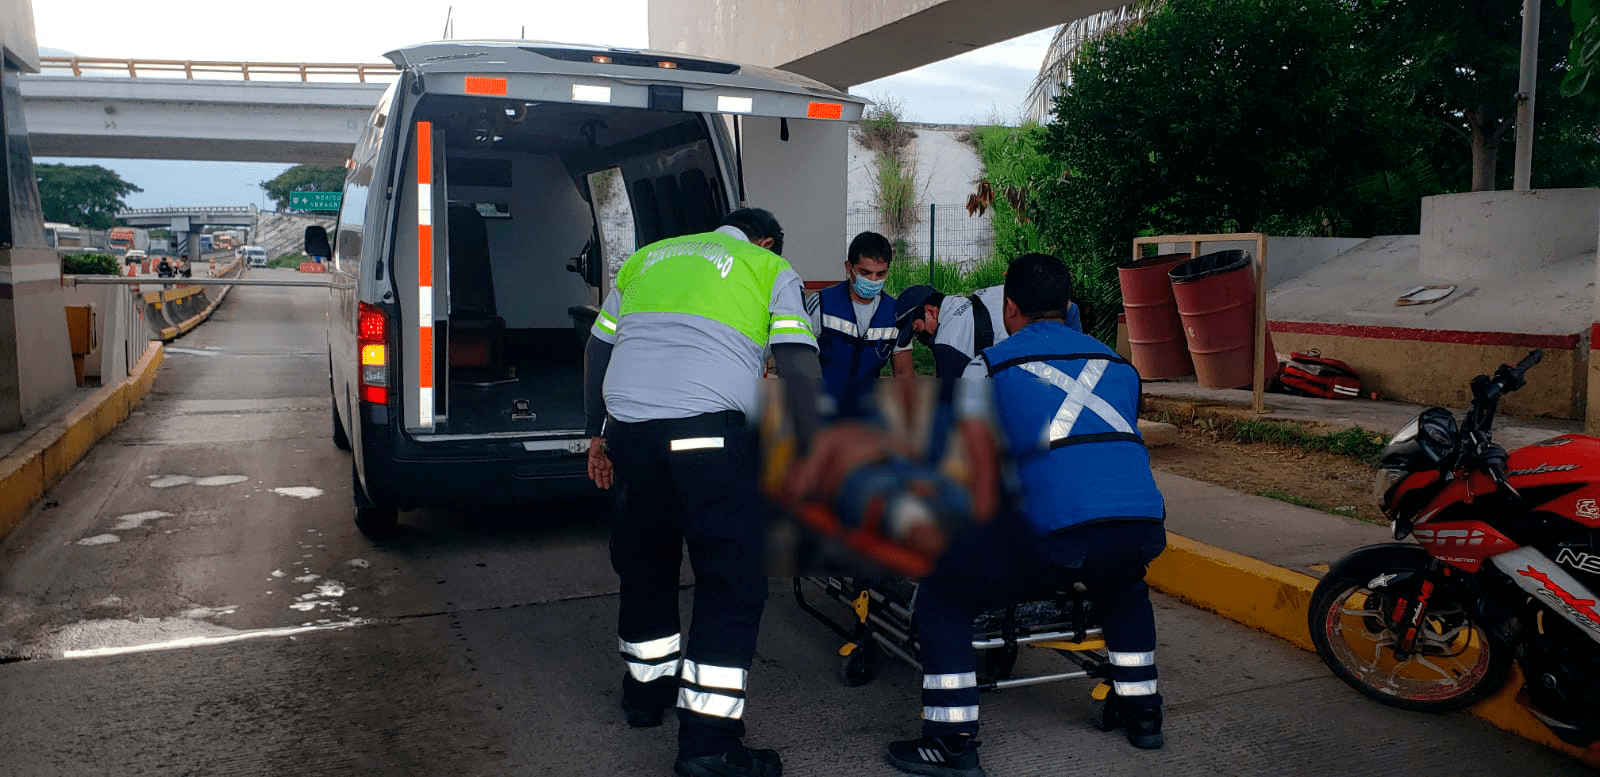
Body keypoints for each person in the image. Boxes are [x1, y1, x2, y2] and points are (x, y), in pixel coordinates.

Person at [883, 253, 1167, 777]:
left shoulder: (988, 366)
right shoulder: (1120, 365)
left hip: (1057, 533)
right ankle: (1143, 714)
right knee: (1123, 588)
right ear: (1069, 307)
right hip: (1141, 525)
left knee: (943, 595)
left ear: (1009, 308)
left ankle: (950, 742)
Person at [584, 207, 821, 777]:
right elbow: (797, 364)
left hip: (631, 437)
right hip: (705, 437)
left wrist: (596, 434)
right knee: (729, 581)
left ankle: (646, 696)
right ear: (767, 239)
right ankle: (710, 747)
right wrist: (810, 451)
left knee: (645, 562)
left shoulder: (645, 260)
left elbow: (597, 350)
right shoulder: (765, 266)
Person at [803, 231, 914, 417]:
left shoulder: (896, 314)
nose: (873, 280)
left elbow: (904, 373)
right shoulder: (822, 304)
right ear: (849, 267)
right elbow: (800, 360)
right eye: (865, 272)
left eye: (881, 274)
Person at [893, 279, 1082, 379]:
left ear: (930, 311)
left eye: (918, 331)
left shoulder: (947, 343)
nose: (920, 339)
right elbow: (1069, 308)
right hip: (1065, 325)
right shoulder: (983, 295)